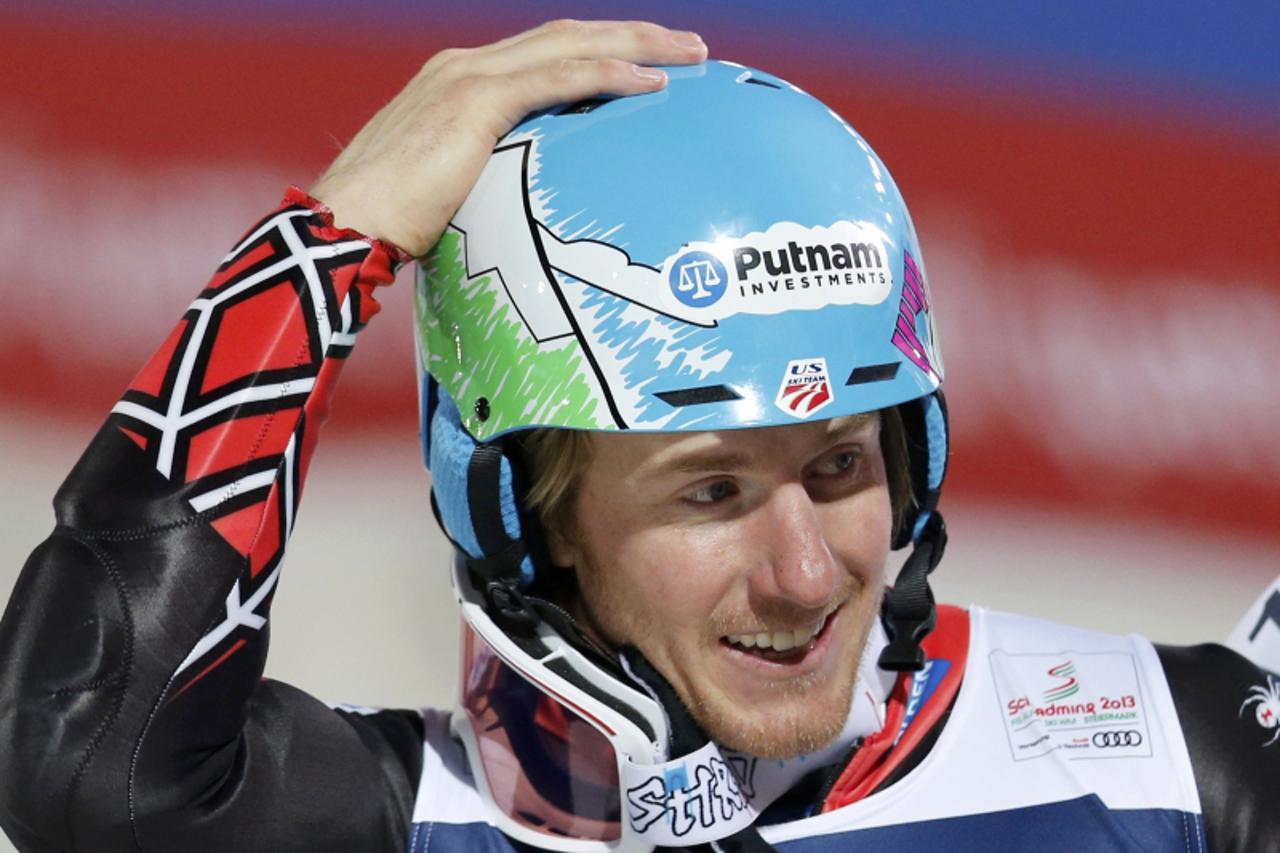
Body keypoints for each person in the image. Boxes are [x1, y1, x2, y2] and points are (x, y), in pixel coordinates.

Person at [0, 19, 1275, 853]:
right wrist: (328, 238)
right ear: (523, 511)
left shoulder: (1173, 745)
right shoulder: (407, 819)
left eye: (838, 466)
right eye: (710, 489)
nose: (800, 570)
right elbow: (85, 768)